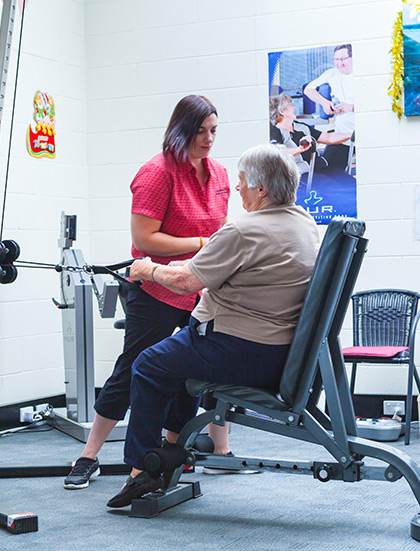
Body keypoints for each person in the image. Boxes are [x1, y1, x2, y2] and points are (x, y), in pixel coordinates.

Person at [106, 143, 320, 508]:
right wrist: (176, 268)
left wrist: (145, 268)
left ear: (261, 189)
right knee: (176, 363)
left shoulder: (243, 228)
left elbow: (190, 283)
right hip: (281, 353)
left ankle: (143, 469)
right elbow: (212, 265)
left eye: (241, 182)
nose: (237, 188)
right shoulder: (304, 224)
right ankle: (171, 454)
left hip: (237, 349)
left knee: (147, 365)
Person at [64, 95, 233, 490]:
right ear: (181, 130)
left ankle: (173, 455)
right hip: (155, 289)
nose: (209, 139)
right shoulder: (156, 173)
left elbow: (223, 232)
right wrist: (202, 242)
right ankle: (88, 456)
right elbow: (144, 238)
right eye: (201, 132)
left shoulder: (221, 175)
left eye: (214, 131)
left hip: (198, 290)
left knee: (191, 372)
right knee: (131, 370)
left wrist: (211, 249)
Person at [269, 93, 352, 177]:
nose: (293, 108)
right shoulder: (275, 132)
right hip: (304, 174)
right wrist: (300, 149)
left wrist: (351, 134)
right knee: (337, 187)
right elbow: (279, 154)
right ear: (282, 111)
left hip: (321, 168)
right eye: (290, 105)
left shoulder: (300, 126)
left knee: (350, 182)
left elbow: (328, 138)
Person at [303, 44, 354, 169]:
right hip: (342, 137)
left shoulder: (362, 75)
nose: (339, 63)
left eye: (343, 59)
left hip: (364, 136)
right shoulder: (331, 74)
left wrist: (352, 108)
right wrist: (324, 102)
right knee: (326, 170)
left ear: (352, 57)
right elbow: (308, 90)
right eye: (336, 59)